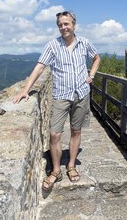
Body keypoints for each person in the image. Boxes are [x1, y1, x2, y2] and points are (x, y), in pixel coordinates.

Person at [13, 11, 100, 191]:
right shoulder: (53, 45)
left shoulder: (84, 43)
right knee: (55, 134)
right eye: (60, 24)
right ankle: (55, 170)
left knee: (76, 131)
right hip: (61, 95)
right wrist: (25, 89)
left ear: (74, 25)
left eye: (66, 24)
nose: (63, 27)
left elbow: (97, 58)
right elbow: (40, 67)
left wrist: (91, 74)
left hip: (82, 94)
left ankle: (71, 166)